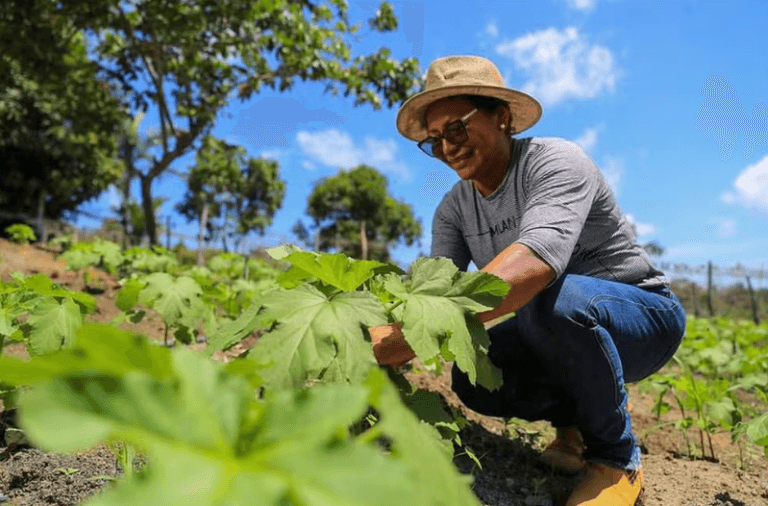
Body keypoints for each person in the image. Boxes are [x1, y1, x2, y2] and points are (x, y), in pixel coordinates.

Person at [371, 55, 687, 506]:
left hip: (644, 318)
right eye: (434, 141)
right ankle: (574, 429)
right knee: (476, 374)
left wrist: (403, 340)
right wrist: (377, 325)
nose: (447, 148)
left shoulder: (555, 161)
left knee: (547, 301)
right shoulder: (453, 210)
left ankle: (616, 461)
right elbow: (433, 289)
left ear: (501, 117)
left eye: (456, 128)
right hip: (553, 324)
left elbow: (536, 262)